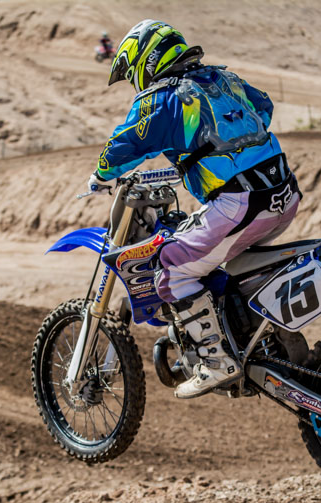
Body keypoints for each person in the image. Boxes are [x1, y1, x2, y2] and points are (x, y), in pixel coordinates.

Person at [88, 20, 301, 398]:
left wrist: (101, 176)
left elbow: (127, 143)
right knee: (218, 262)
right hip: (284, 194)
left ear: (144, 61)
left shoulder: (162, 97)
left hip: (241, 203)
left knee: (171, 265)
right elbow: (263, 107)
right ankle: (247, 334)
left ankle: (216, 361)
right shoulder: (224, 78)